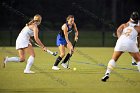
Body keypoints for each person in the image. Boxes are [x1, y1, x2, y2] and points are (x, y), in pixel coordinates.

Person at [101, 11, 140, 82]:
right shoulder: (138, 28)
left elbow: (118, 30)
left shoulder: (124, 25)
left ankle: (107, 73)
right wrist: (138, 46)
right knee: (138, 60)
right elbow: (138, 39)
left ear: (130, 18)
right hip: (131, 43)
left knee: (113, 59)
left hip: (120, 42)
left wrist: (119, 38)